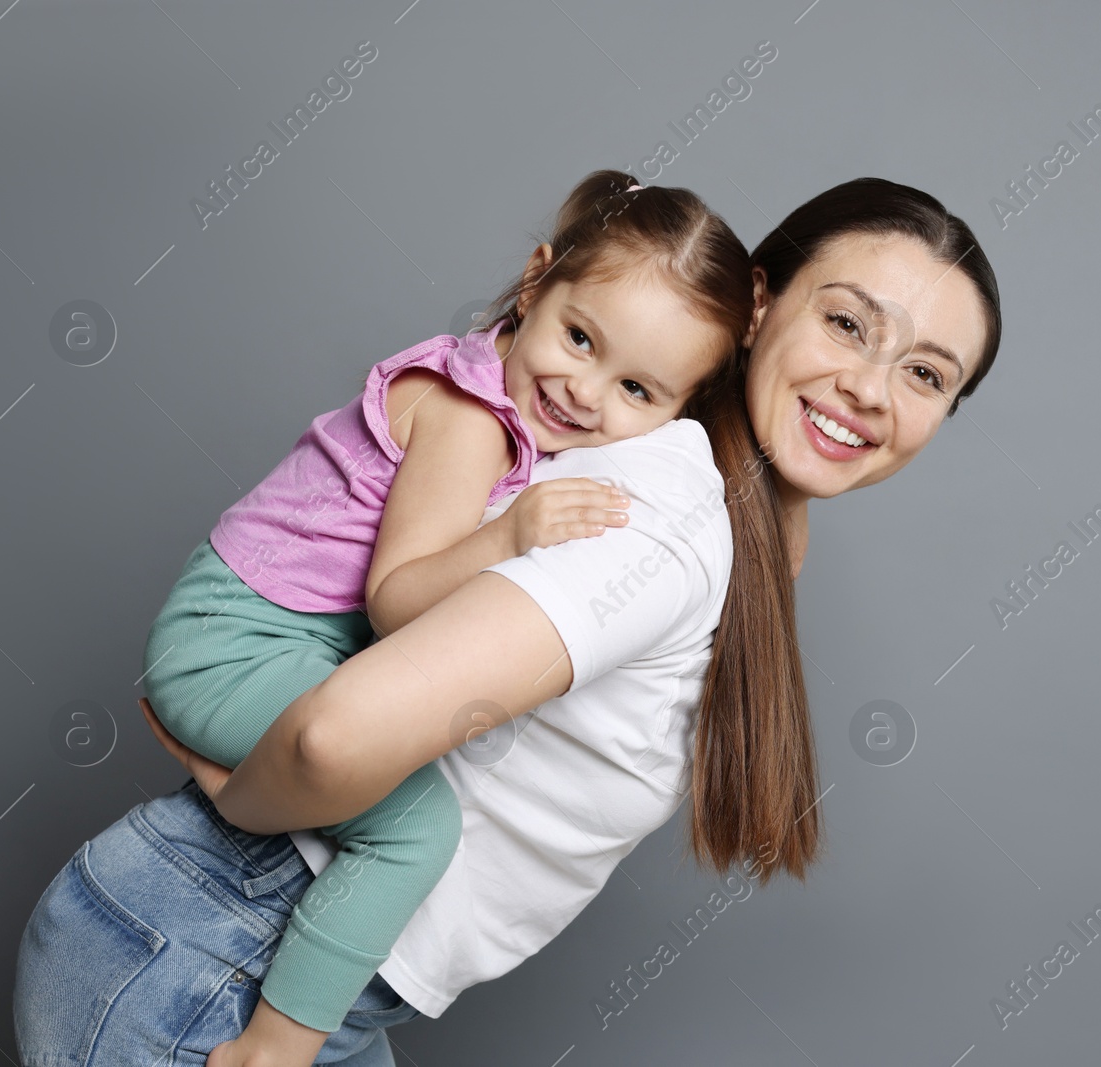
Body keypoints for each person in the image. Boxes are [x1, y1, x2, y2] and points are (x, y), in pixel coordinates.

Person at [12, 177, 1002, 1066]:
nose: (870, 388)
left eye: (925, 374)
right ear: (757, 300)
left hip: (276, 962)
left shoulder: (729, 519)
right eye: (847, 323)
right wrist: (243, 802)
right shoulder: (664, 515)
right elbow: (334, 733)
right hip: (220, 954)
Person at [130, 168, 757, 1066]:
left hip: (268, 631)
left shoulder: (503, 393)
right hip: (234, 638)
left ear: (677, 413)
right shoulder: (473, 417)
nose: (586, 393)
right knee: (414, 828)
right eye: (580, 338)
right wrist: (507, 536)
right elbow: (396, 599)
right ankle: (270, 1045)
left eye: (637, 392)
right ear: (536, 282)